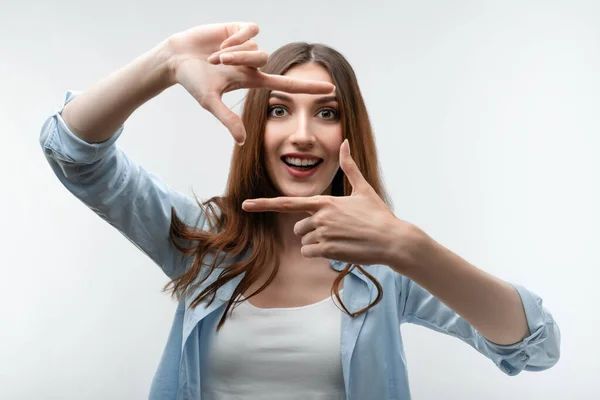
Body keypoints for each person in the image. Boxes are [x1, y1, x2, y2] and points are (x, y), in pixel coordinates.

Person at [39, 22, 561, 400]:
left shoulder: (384, 262)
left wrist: (407, 247)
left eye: (327, 113)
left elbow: (535, 348)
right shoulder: (203, 241)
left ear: (347, 133)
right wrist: (167, 61)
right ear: (256, 130)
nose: (303, 134)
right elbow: (72, 151)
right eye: (280, 110)